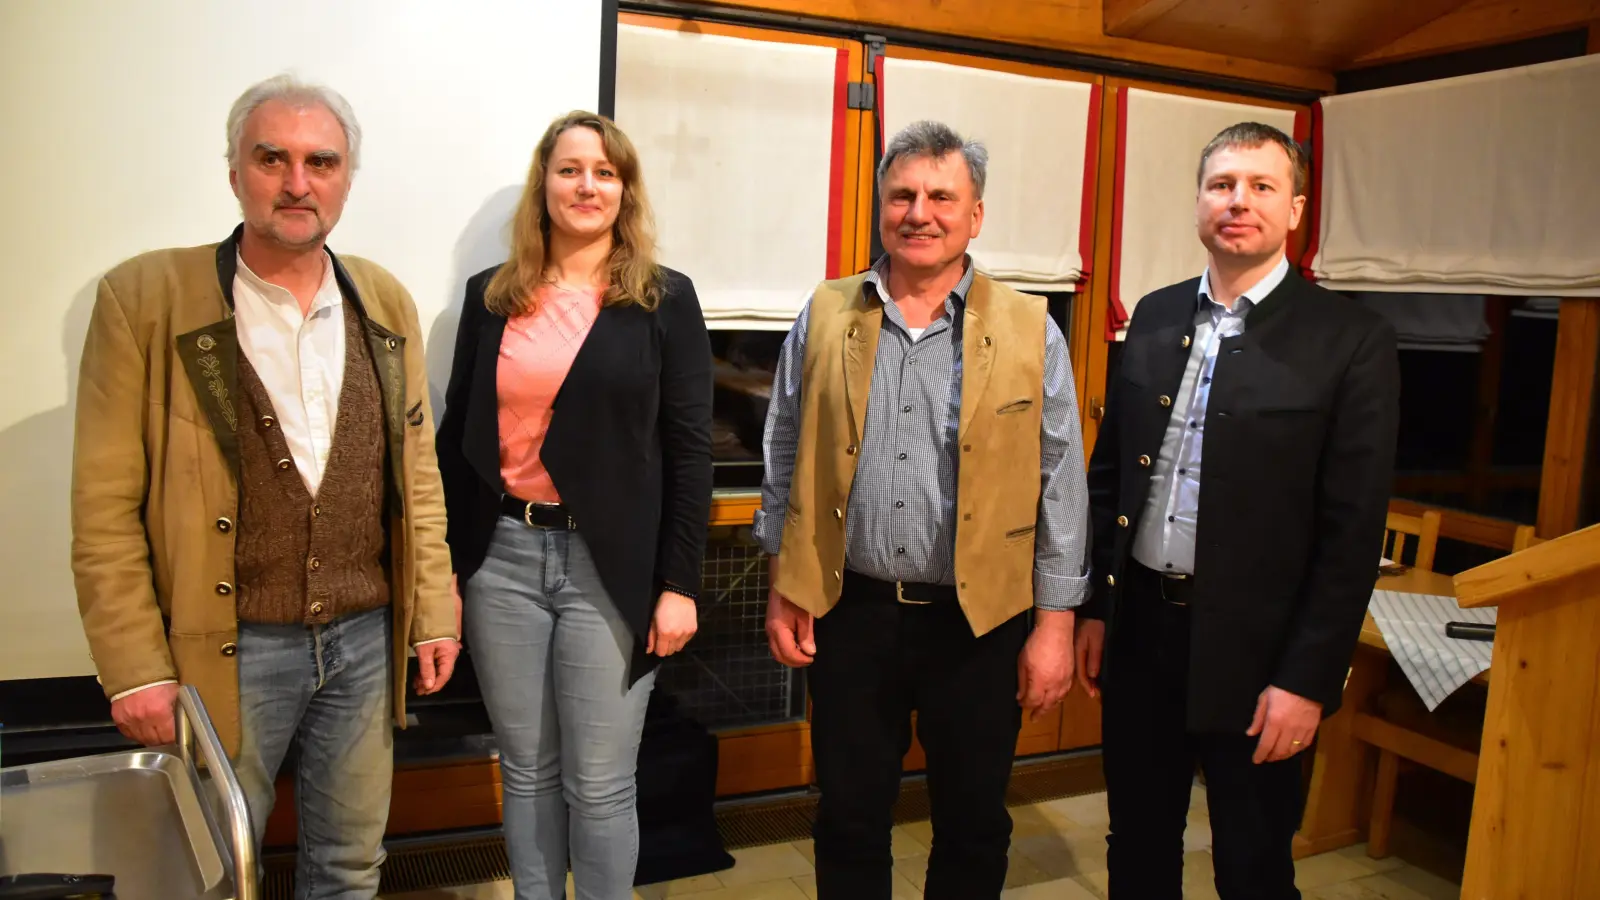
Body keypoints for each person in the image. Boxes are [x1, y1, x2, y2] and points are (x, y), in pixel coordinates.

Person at [71, 74, 462, 899]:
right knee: (214, 870)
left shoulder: (384, 300)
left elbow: (416, 479)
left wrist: (433, 609)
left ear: (347, 179)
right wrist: (133, 670)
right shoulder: (143, 299)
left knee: (350, 867)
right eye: (271, 158)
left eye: (321, 162)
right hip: (227, 647)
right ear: (234, 172)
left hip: (364, 642)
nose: (297, 182)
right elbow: (103, 507)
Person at [757, 120, 1092, 900]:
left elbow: (1060, 480)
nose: (919, 212)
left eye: (942, 196)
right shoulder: (827, 309)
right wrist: (785, 581)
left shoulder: (1028, 327)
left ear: (975, 215)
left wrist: (1056, 623)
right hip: (850, 614)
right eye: (902, 195)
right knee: (847, 817)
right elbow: (784, 448)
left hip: (979, 623)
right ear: (881, 207)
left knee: (973, 825)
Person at [1076, 122, 1400, 899]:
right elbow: (1110, 478)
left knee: (1252, 864)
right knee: (1139, 845)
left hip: (1263, 656)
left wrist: (1308, 681)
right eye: (1222, 185)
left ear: (1295, 210)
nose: (1238, 202)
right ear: (1198, 202)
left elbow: (1351, 533)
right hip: (1143, 635)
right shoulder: (1152, 315)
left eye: (1261, 186)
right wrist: (1093, 611)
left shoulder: (1350, 340)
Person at [435, 110, 713, 900]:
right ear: (544, 183)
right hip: (505, 565)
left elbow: (689, 453)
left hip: (611, 567)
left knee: (599, 783)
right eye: (569, 169)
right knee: (526, 772)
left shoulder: (664, 300)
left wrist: (679, 582)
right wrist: (451, 571)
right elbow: (461, 439)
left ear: (624, 191)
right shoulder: (490, 297)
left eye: (604, 171)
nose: (585, 185)